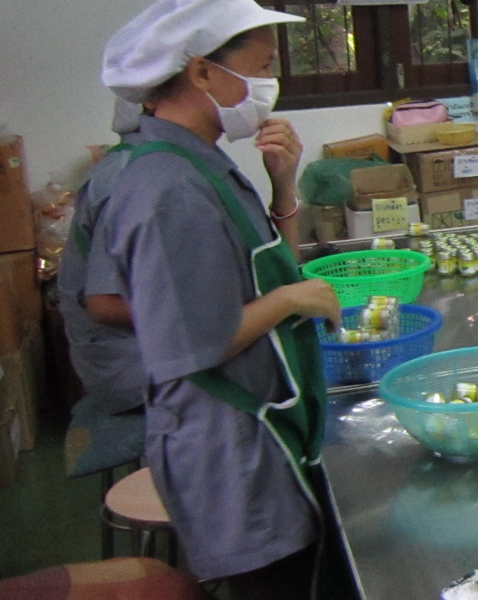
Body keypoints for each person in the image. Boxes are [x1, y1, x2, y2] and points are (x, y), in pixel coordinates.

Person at [98, 1, 342, 597]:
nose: (267, 85)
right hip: (230, 447)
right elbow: (189, 343)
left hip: (258, 427)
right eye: (259, 67)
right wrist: (291, 300)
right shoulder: (166, 189)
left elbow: (262, 270)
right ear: (202, 72)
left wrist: (283, 182)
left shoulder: (196, 164)